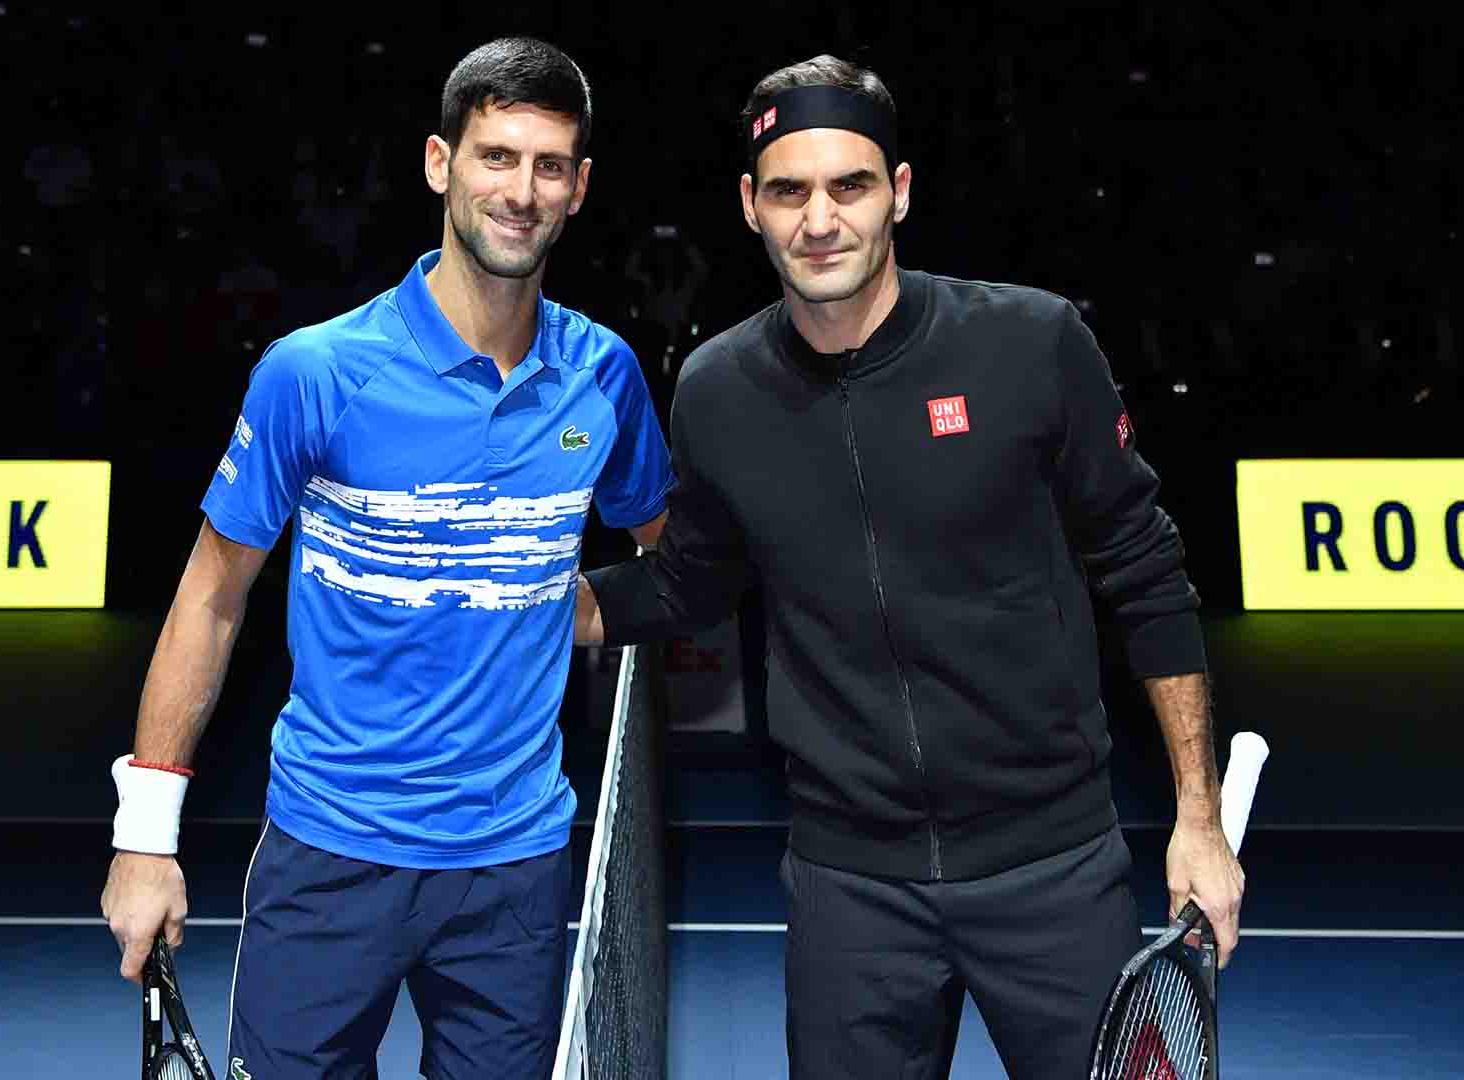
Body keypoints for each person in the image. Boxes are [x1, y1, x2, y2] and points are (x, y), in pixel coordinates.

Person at [576, 54, 1244, 1080]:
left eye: (849, 185)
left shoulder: (1029, 342)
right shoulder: (716, 390)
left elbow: (1145, 572)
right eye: (789, 191)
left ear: (899, 193)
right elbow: (688, 582)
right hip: (852, 891)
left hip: (1053, 868)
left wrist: (1197, 819)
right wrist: (552, 606)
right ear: (751, 206)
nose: (820, 220)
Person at [101, 37, 672, 1080]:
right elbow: (212, 597)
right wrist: (146, 836)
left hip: (515, 862)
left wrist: (579, 603)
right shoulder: (315, 373)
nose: (522, 191)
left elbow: (669, 556)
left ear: (580, 188)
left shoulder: (605, 375)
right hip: (331, 850)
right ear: (439, 163)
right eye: (497, 156)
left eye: (551, 166)